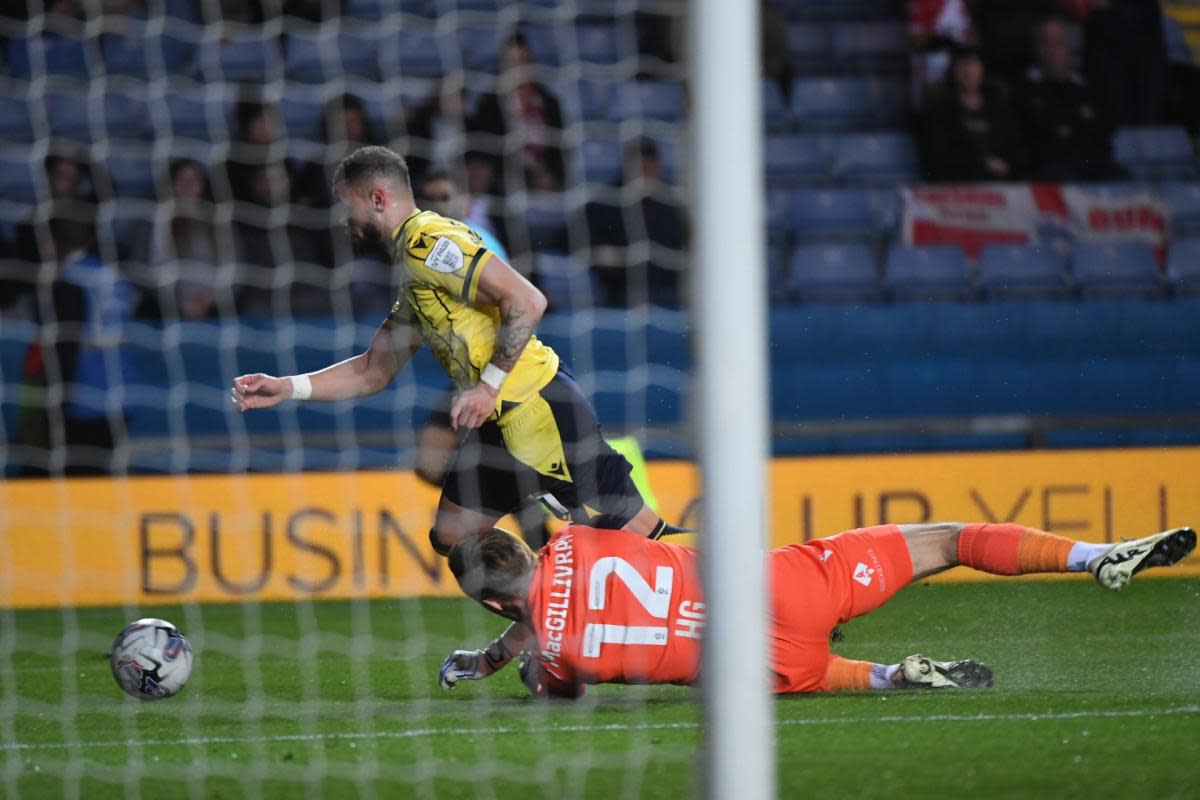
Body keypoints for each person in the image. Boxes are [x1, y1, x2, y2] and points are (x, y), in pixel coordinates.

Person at [231, 145, 679, 549]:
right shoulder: (414, 272)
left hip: (536, 408)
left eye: (347, 208)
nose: (344, 221)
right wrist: (287, 387)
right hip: (498, 422)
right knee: (454, 536)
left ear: (377, 199)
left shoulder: (429, 244)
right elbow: (373, 370)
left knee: (643, 542)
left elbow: (527, 300)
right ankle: (534, 631)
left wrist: (487, 387)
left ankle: (732, 594)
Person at [438, 522, 1196, 696]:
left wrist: (501, 663)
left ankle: (899, 675)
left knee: (835, 674)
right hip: (778, 587)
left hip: (759, 664)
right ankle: (1094, 558)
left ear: (495, 600)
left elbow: (551, 662)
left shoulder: (561, 656)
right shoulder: (571, 541)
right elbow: (552, 584)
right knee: (952, 540)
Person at [19, 202, 139, 476]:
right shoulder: (113, 275)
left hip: (84, 395)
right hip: (123, 391)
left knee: (78, 479)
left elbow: (65, 347)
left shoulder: (67, 281)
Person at [1018, 17, 1122, 180]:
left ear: (1068, 48)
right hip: (1049, 168)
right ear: (1035, 48)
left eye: (1059, 43)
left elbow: (1103, 128)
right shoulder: (1023, 90)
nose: (1053, 51)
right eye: (1045, 43)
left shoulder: (1087, 87)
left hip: (1091, 164)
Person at [469, 32, 566, 194]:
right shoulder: (489, 105)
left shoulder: (549, 103)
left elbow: (561, 150)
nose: (519, 69)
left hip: (548, 188)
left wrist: (552, 176)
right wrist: (528, 178)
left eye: (524, 61)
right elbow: (488, 155)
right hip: (505, 189)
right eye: (512, 62)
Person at [918, 44, 1028, 182]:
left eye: (972, 65)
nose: (967, 71)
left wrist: (1007, 166)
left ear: (982, 70)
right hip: (958, 186)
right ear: (953, 71)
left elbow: (1017, 152)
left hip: (1001, 186)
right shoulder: (940, 110)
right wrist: (981, 164)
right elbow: (937, 156)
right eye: (962, 65)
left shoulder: (1000, 108)